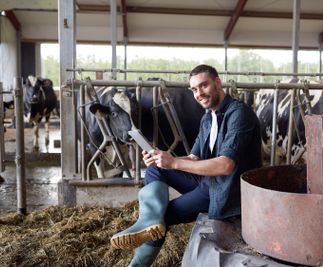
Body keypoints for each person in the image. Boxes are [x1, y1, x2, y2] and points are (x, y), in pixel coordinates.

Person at [110, 64, 261, 266]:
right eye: (194, 89)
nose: (199, 93)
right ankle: (148, 221)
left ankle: (138, 261)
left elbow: (225, 166)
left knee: (161, 216)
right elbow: (194, 157)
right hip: (209, 183)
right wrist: (162, 158)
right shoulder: (208, 117)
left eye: (204, 86)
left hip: (227, 193)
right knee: (156, 169)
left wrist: (174, 163)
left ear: (217, 83)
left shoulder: (239, 114)